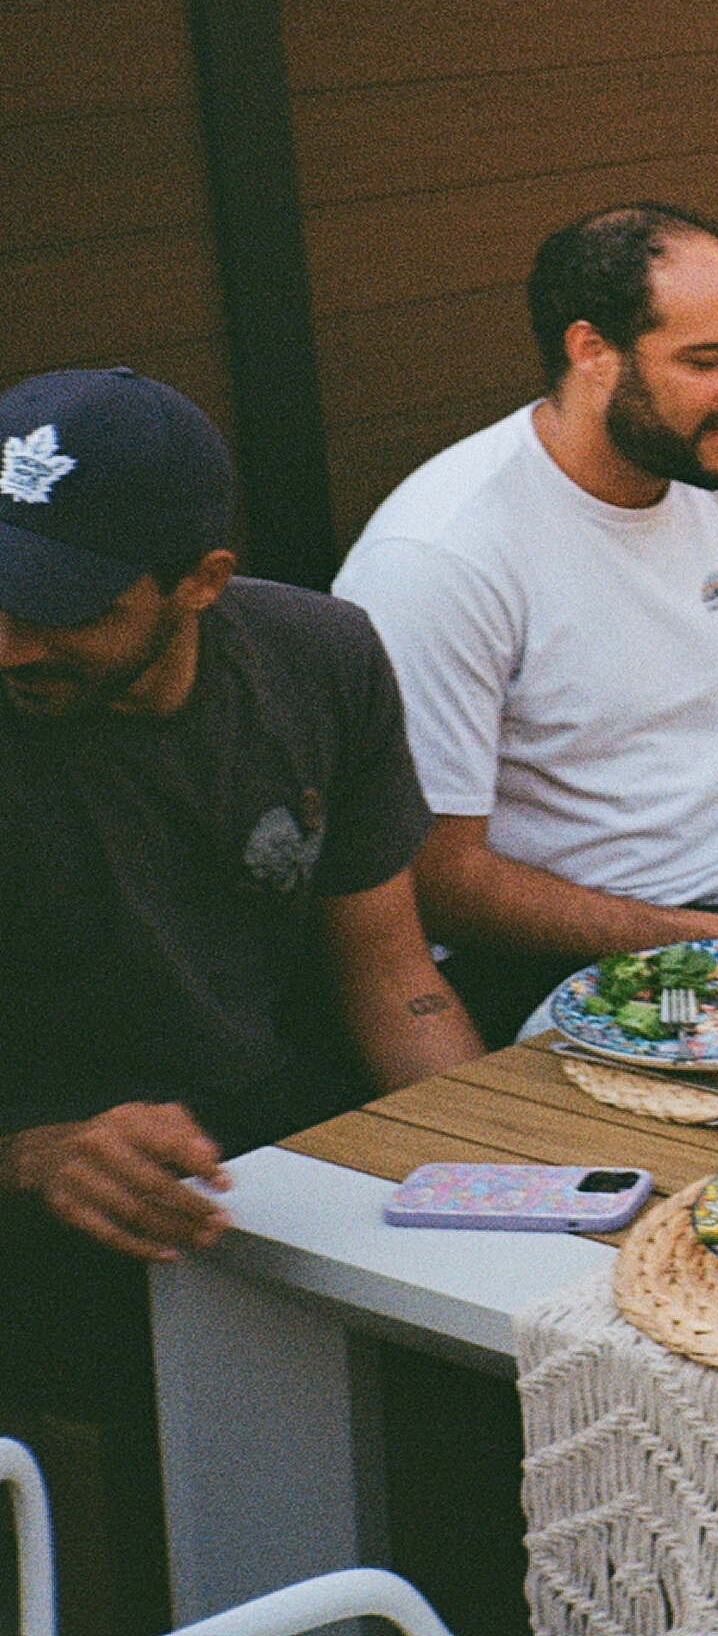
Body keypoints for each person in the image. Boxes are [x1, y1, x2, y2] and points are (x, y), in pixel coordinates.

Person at [0, 369, 482, 1634]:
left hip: (286, 1162)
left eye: (67, 607)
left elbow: (390, 970)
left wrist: (503, 1188)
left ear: (201, 582)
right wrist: (37, 1148)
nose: (8, 638)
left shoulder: (319, 654)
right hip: (45, 1214)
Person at [333, 204, 718, 1044]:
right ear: (592, 353)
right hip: (539, 965)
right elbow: (442, 878)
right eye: (708, 359)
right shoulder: (443, 556)